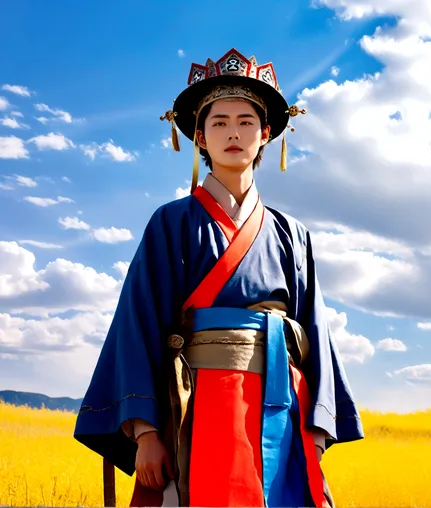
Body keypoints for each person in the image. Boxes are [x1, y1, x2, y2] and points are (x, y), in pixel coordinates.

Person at [74, 48, 364, 508]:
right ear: (200, 138)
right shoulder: (169, 224)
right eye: (220, 122)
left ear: (266, 135)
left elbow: (317, 335)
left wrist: (316, 430)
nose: (234, 132)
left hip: (280, 407)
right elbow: (136, 325)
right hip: (192, 407)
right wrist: (146, 432)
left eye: (246, 121)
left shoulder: (293, 234)